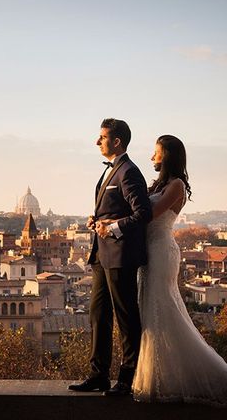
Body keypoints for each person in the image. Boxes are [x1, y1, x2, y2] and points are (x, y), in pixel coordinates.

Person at [131, 134, 227, 406]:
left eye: (155, 152)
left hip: (161, 251)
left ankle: (166, 379)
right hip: (148, 253)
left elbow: (150, 213)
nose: (151, 157)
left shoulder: (177, 185)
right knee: (150, 311)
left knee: (162, 310)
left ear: (167, 155)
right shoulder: (158, 184)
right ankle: (157, 376)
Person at [68, 118, 152, 396]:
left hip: (120, 255)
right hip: (101, 255)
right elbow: (114, 211)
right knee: (98, 315)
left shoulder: (128, 172)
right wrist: (99, 220)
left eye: (101, 137)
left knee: (126, 317)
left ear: (117, 141)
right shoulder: (113, 171)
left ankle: (127, 379)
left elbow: (143, 214)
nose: (97, 141)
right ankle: (98, 374)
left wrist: (112, 227)